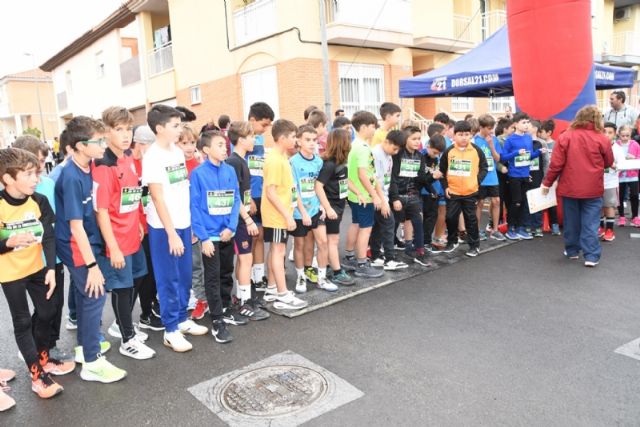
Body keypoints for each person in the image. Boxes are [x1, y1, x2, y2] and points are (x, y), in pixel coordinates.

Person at [54, 116, 126, 382]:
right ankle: (92, 363)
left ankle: (86, 350)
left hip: (89, 240)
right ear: (80, 146)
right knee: (94, 294)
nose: (103, 144)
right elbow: (75, 227)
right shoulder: (70, 177)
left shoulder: (91, 165)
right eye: (98, 141)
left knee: (88, 297)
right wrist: (92, 266)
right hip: (75, 245)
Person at [0, 148, 74, 399]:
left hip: (37, 268)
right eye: (29, 174)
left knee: (47, 311)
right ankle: (37, 375)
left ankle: (43, 357)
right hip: (10, 273)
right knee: (22, 322)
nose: (36, 179)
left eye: (37, 173)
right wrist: (7, 243)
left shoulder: (39, 200)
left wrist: (51, 268)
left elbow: (49, 236)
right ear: (8, 178)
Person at [143, 105, 208, 353]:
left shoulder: (176, 152)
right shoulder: (153, 156)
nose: (180, 129)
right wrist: (171, 233)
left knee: (184, 275)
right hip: (163, 228)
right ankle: (170, 330)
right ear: (160, 128)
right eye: (175, 125)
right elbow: (157, 197)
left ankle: (181, 319)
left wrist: (189, 225)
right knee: (168, 278)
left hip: (183, 222)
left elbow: (182, 189)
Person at [94, 107, 155, 360]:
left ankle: (122, 324)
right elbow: (101, 211)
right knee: (122, 287)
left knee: (139, 276)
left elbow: (132, 195)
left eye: (128, 129)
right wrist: (113, 247)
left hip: (133, 234)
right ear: (106, 132)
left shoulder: (128, 157)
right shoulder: (103, 165)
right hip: (116, 239)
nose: (126, 134)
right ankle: (127, 339)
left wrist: (139, 221)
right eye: (119, 129)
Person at [12, 136, 71, 362]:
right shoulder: (8, 190)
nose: (39, 167)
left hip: (50, 256)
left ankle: (49, 346)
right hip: (20, 261)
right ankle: (32, 347)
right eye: (35, 162)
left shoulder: (47, 184)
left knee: (54, 305)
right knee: (28, 313)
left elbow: (54, 223)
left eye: (42, 161)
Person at [541, 105, 613, 267]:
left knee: (571, 221)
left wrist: (547, 183)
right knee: (590, 223)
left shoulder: (565, 136)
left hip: (569, 187)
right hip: (593, 188)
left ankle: (572, 250)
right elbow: (608, 162)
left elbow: (556, 164)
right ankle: (591, 256)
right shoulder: (602, 138)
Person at [190, 130, 242, 343]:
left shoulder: (229, 170)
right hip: (210, 237)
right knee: (212, 277)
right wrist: (203, 238)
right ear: (206, 149)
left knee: (226, 273)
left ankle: (226, 307)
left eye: (225, 144)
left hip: (227, 233)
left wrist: (231, 227)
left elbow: (236, 199)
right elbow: (194, 207)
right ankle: (217, 320)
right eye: (219, 145)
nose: (224, 148)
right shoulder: (198, 174)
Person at [261, 119, 309, 310]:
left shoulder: (281, 157)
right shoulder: (274, 160)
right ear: (282, 138)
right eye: (293, 137)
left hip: (280, 214)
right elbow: (271, 192)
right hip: (276, 216)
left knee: (276, 251)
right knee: (278, 252)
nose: (295, 140)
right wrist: (287, 216)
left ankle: (272, 289)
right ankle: (282, 294)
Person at [225, 121, 270, 320]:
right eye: (252, 136)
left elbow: (242, 192)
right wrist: (247, 219)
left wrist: (249, 201)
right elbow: (234, 195)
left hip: (243, 216)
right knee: (245, 258)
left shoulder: (242, 160)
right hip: (238, 219)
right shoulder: (234, 162)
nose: (255, 139)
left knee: (246, 257)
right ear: (241, 140)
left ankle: (245, 296)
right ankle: (244, 301)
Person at [290, 125, 337, 293]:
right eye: (307, 140)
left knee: (323, 242)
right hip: (299, 211)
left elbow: (318, 187)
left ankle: (322, 278)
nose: (311, 143)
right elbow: (294, 190)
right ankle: (301, 276)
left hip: (316, 209)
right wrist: (303, 213)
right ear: (298, 141)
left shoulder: (318, 161)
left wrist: (323, 206)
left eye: (314, 140)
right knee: (300, 245)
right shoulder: (293, 162)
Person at [130, 125, 164, 331]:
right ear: (140, 144)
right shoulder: (129, 164)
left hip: (154, 223)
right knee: (142, 272)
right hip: (137, 227)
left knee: (153, 270)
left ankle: (151, 304)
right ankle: (144, 313)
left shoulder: (150, 162)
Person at [343, 111, 384, 278]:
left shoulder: (354, 145)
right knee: (365, 229)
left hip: (355, 194)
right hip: (363, 195)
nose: (374, 129)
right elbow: (363, 174)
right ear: (364, 127)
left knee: (356, 224)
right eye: (373, 126)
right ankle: (361, 263)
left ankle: (349, 257)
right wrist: (374, 194)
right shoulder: (363, 148)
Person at [439, 120, 488, 257]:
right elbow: (442, 171)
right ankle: (452, 241)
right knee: (450, 217)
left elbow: (484, 167)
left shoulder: (476, 150)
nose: (464, 137)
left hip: (470, 192)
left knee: (471, 219)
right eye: (460, 134)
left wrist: (477, 181)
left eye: (467, 134)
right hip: (453, 192)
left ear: (471, 135)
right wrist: (445, 187)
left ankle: (474, 245)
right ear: (454, 136)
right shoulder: (449, 151)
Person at [315, 128, 355, 286]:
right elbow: (318, 186)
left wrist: (358, 193)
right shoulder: (329, 164)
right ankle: (336, 272)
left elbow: (344, 181)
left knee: (332, 239)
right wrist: (328, 208)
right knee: (332, 239)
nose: (350, 143)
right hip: (330, 206)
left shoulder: (341, 162)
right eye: (348, 140)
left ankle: (330, 266)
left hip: (338, 204)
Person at [176, 125, 208, 321]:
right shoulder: (173, 165)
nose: (189, 147)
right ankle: (186, 296)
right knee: (180, 264)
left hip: (194, 221)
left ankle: (201, 299)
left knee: (196, 264)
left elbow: (201, 199)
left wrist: (196, 225)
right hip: (176, 221)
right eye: (184, 143)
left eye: (192, 142)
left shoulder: (198, 167)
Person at [389, 125, 432, 266]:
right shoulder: (397, 155)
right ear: (405, 139)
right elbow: (393, 178)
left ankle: (419, 251)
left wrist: (431, 188)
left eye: (419, 139)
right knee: (392, 224)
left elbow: (421, 177)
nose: (417, 141)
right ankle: (388, 254)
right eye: (414, 139)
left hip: (413, 196)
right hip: (398, 196)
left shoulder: (420, 156)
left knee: (418, 223)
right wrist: (395, 198)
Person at [500, 112, 545, 240]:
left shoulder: (528, 138)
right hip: (514, 175)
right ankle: (510, 228)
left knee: (524, 202)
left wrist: (538, 152)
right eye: (523, 122)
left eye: (527, 122)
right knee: (516, 202)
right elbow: (503, 157)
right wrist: (516, 153)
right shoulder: (510, 139)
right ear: (515, 124)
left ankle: (520, 228)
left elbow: (529, 156)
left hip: (526, 174)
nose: (526, 125)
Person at [246, 102, 275, 292]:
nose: (265, 129)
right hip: (248, 196)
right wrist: (247, 197)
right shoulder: (240, 140)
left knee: (261, 235)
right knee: (251, 238)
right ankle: (247, 276)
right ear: (252, 120)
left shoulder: (260, 140)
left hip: (262, 194)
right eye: (263, 125)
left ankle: (258, 276)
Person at [370, 130, 408, 270]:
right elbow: (375, 180)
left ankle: (375, 256)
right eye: (394, 148)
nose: (396, 152)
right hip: (377, 197)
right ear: (386, 142)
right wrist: (382, 201)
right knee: (389, 223)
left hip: (383, 196)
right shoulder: (376, 154)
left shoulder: (388, 155)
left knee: (378, 227)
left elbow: (388, 178)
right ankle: (389, 259)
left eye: (398, 150)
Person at [473, 114, 506, 241]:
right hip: (480, 177)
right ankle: (476, 230)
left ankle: (495, 230)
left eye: (492, 128)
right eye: (488, 128)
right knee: (480, 202)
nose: (491, 131)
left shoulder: (494, 139)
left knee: (496, 201)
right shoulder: (475, 140)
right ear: (481, 127)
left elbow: (497, 159)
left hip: (492, 176)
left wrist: (491, 145)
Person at [421, 133, 446, 252]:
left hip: (434, 192)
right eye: (435, 152)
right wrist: (433, 177)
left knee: (432, 217)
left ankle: (426, 242)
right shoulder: (421, 156)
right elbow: (422, 179)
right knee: (422, 218)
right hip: (422, 192)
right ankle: (421, 242)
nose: (436, 155)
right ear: (428, 146)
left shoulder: (437, 158)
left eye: (439, 153)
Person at [600, 122, 625, 241]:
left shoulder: (617, 149)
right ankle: (600, 227)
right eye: (604, 132)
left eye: (610, 132)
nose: (607, 135)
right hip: (596, 182)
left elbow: (622, 165)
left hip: (610, 183)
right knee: (598, 206)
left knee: (609, 206)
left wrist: (614, 165)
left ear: (615, 134)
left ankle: (609, 230)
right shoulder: (597, 145)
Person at [538, 119, 561, 235]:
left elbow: (559, 163)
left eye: (541, 132)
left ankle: (554, 225)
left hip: (552, 178)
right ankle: (539, 225)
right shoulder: (539, 144)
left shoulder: (556, 145)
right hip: (541, 177)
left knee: (551, 202)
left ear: (549, 133)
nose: (539, 134)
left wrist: (556, 180)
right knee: (539, 201)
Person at [615, 125, 640, 227]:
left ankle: (635, 217)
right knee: (620, 196)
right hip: (619, 175)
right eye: (623, 136)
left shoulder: (635, 145)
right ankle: (621, 216)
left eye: (627, 136)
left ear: (631, 135)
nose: (625, 138)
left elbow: (639, 156)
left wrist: (633, 158)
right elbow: (612, 157)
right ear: (619, 135)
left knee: (634, 195)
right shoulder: (616, 145)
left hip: (632, 174)